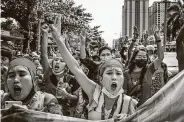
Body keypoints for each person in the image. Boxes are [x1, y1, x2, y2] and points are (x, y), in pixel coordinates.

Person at [49, 23, 137, 120]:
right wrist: (58, 40)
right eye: (109, 73)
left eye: (118, 73)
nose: (114, 77)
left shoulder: (129, 103)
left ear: (123, 78)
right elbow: (76, 68)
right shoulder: (94, 91)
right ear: (100, 78)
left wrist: (129, 119)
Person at [41, 24, 79, 116]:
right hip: (47, 113)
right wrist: (45, 34)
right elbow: (44, 55)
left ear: (66, 65)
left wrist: (66, 95)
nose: (57, 62)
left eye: (61, 60)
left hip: (66, 115)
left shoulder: (72, 79)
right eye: (56, 60)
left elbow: (77, 98)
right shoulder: (48, 73)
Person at [123, 26, 164, 106]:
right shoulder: (126, 74)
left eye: (144, 57)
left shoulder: (149, 70)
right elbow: (123, 94)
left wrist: (158, 39)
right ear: (134, 59)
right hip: (130, 109)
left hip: (146, 110)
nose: (142, 59)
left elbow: (160, 57)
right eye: (139, 57)